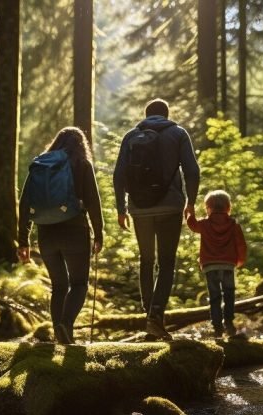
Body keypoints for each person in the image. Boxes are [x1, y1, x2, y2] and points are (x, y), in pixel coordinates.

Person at [112, 98, 200, 341]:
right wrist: (190, 203)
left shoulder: (131, 136)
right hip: (170, 207)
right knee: (167, 262)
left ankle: (148, 315)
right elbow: (192, 171)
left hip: (139, 209)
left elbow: (118, 174)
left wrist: (121, 208)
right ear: (166, 113)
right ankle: (156, 316)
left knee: (146, 260)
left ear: (147, 114)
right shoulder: (178, 133)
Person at [17, 127, 103, 345]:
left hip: (46, 233)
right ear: (81, 145)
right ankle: (65, 325)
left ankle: (60, 335)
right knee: (79, 284)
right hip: (75, 230)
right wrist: (99, 233)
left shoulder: (40, 164)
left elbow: (25, 202)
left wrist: (23, 239)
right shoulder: (82, 164)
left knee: (59, 286)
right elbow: (93, 201)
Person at [187, 189, 248, 338]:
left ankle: (217, 327)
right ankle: (229, 323)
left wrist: (189, 210)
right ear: (228, 207)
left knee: (214, 296)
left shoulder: (205, 224)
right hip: (228, 265)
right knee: (229, 294)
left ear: (208, 207)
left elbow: (192, 224)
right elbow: (241, 245)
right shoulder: (234, 225)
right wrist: (240, 260)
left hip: (210, 265)